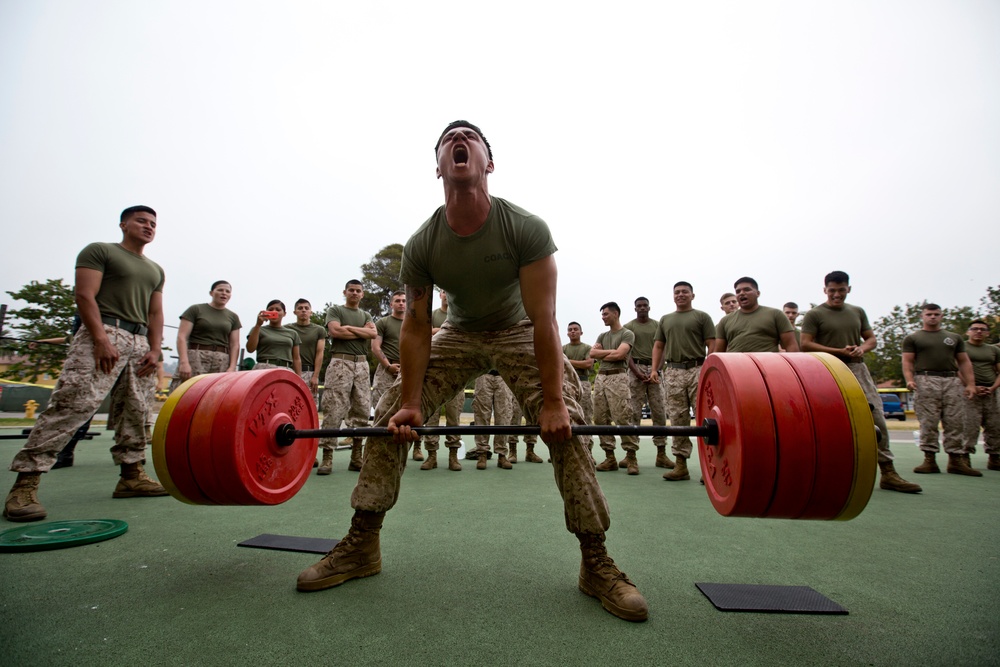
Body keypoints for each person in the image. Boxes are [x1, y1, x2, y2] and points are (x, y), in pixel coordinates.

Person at [296, 120, 648, 622]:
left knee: (568, 426)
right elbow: (416, 326)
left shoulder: (526, 227)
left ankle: (596, 561)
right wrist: (413, 403)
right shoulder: (423, 242)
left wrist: (551, 403)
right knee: (390, 415)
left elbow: (545, 319)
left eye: (471, 136)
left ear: (488, 161)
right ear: (437, 164)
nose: (459, 140)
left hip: (519, 329)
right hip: (456, 334)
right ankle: (362, 543)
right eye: (448, 139)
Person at [4, 205, 168, 522]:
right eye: (141, 221)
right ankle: (25, 484)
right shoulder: (99, 251)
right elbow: (84, 295)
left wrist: (154, 348)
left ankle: (131, 476)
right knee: (73, 404)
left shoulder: (155, 269)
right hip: (104, 332)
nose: (148, 227)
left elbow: (156, 312)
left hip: (139, 342)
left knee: (136, 411)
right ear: (123, 224)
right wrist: (100, 339)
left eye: (153, 223)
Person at [800, 271, 921, 493]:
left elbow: (871, 339)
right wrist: (838, 351)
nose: (837, 294)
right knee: (824, 421)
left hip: (857, 369)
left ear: (849, 289)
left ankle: (888, 471)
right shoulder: (814, 315)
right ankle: (825, 472)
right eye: (832, 290)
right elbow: (805, 344)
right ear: (824, 290)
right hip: (825, 369)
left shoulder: (857, 312)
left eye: (841, 290)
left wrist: (861, 348)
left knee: (875, 417)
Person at [902, 303, 978, 476]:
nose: (933, 317)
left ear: (941, 316)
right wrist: (910, 379)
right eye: (929, 314)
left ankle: (956, 460)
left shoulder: (954, 338)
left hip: (951, 379)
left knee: (956, 421)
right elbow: (907, 361)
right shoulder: (913, 338)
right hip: (926, 379)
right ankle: (929, 459)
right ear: (922, 316)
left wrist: (970, 384)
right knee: (928, 421)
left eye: (936, 314)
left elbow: (964, 361)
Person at [650, 281, 716, 482]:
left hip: (698, 369)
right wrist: (655, 369)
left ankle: (711, 468)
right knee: (678, 419)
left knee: (705, 418)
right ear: (673, 296)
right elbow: (659, 345)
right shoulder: (665, 319)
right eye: (677, 292)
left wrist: (709, 368)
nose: (680, 295)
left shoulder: (702, 317)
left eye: (684, 292)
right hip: (673, 372)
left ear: (692, 295)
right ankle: (681, 465)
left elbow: (712, 344)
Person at [320, 280, 376, 472]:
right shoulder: (335, 311)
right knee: (334, 408)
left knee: (361, 409)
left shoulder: (366, 314)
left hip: (361, 364)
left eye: (358, 290)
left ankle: (356, 456)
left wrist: (349, 329)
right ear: (345, 292)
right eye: (351, 290)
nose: (354, 293)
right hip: (339, 363)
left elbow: (373, 334)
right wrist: (361, 332)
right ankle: (327, 456)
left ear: (362, 294)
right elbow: (335, 331)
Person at [589, 302, 639, 474]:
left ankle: (631, 457)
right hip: (601, 377)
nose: (603, 317)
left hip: (618, 377)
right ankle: (609, 457)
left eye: (605, 314)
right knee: (600, 417)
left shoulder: (627, 333)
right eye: (602, 314)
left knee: (623, 416)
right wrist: (611, 352)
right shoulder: (602, 335)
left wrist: (606, 353)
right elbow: (592, 354)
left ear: (615, 314)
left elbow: (620, 354)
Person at [619, 297, 665, 476]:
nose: (642, 308)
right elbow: (627, 353)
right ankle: (631, 455)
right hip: (635, 370)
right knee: (633, 412)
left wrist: (657, 370)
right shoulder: (629, 327)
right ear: (635, 308)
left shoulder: (658, 325)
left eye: (645, 305)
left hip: (654, 370)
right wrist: (637, 372)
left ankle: (661, 453)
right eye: (639, 306)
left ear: (649, 307)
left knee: (659, 410)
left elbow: (663, 348)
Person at [420, 289, 464, 471]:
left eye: (449, 291)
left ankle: (453, 456)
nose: (447, 294)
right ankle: (431, 455)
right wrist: (439, 330)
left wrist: (436, 332)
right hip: (434, 374)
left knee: (454, 417)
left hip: (457, 374)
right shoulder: (431, 315)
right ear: (440, 295)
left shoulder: (461, 315)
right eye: (444, 291)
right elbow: (421, 335)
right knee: (432, 417)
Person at [172, 281, 241, 392]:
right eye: (220, 290)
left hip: (221, 360)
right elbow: (182, 337)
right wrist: (184, 362)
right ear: (211, 293)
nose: (224, 293)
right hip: (196, 356)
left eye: (227, 291)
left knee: (216, 395)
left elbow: (235, 344)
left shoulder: (233, 317)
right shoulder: (195, 310)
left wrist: (232, 367)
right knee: (188, 392)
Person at [715, 277, 799, 353]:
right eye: (738, 291)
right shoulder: (725, 321)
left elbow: (791, 345)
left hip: (768, 366)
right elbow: (718, 353)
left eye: (747, 290)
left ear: (758, 293)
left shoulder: (776, 314)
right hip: (735, 367)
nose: (742, 293)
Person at [962, 320, 1000, 471]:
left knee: (995, 425)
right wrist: (971, 386)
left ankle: (995, 457)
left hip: (990, 392)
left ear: (987, 333)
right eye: (975, 329)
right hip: (969, 392)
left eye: (982, 329)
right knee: (969, 425)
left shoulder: (993, 350)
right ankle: (964, 457)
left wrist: (992, 388)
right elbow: (958, 368)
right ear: (968, 332)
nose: (978, 332)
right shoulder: (962, 348)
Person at [371, 291, 406, 433]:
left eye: (404, 301)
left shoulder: (414, 323)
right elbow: (375, 347)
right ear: (391, 304)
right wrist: (388, 366)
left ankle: (416, 448)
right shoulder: (383, 322)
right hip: (387, 370)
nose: (401, 303)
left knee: (407, 407)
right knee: (381, 407)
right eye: (397, 301)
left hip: (408, 369)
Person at [286, 298, 327, 405]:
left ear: (311, 312)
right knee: (288, 403)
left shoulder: (319, 330)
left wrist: (315, 376)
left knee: (309, 406)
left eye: (306, 308)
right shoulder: (287, 329)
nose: (303, 310)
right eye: (300, 308)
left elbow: (320, 353)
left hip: (310, 372)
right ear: (295, 312)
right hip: (290, 370)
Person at [563, 321, 595, 457]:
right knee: (566, 417)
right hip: (565, 385)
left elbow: (588, 364)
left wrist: (567, 361)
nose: (573, 331)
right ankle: (566, 450)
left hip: (583, 383)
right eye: (570, 329)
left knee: (585, 416)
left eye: (576, 329)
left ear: (581, 332)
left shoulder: (587, 348)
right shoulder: (562, 348)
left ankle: (588, 451)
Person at [246, 300, 302, 373]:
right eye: (270, 310)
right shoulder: (258, 329)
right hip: (263, 368)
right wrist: (258, 325)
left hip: (286, 369)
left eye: (278, 310)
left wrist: (299, 379)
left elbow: (296, 358)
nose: (274, 312)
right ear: (266, 312)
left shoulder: (292, 333)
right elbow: (250, 349)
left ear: (284, 314)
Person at [471, 371, 513, 469]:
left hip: (503, 375)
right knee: (482, 416)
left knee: (504, 416)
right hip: (483, 374)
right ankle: (482, 454)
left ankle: (502, 455)